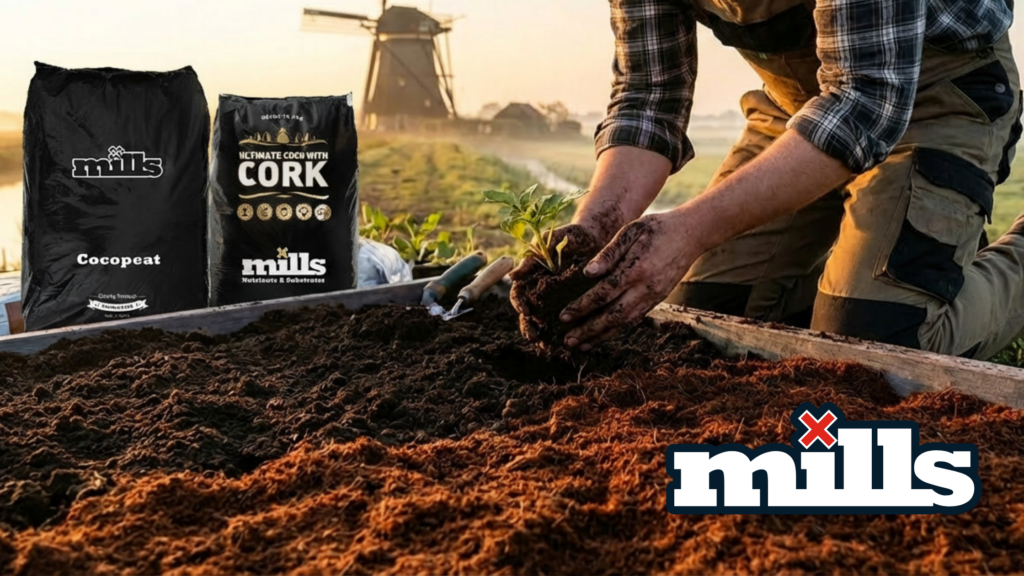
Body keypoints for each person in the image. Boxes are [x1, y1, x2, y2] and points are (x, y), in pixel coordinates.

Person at [513, 0, 1024, 360]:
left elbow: (865, 101)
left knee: (878, 344)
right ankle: (891, 267)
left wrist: (690, 230)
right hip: (798, 109)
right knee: (705, 317)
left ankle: (927, 273)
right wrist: (594, 229)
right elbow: (649, 100)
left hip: (934, 97)